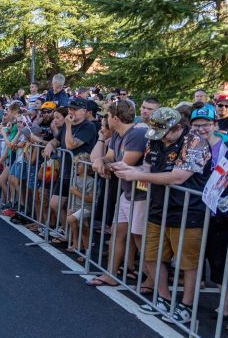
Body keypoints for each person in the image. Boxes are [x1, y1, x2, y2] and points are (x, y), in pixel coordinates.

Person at [113, 107, 212, 323]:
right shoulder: (155, 139)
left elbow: (177, 177)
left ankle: (187, 306)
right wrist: (128, 168)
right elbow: (148, 168)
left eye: (165, 133)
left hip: (187, 211)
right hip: (158, 207)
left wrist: (137, 174)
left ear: (178, 127)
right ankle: (163, 298)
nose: (161, 138)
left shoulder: (195, 142)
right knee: (151, 255)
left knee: (188, 263)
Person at [88, 99, 150, 289]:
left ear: (115, 117)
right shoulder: (116, 135)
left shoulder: (137, 134)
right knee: (117, 232)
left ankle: (155, 281)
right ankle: (110, 274)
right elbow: (109, 157)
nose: (105, 119)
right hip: (127, 192)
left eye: (107, 116)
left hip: (142, 193)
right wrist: (101, 160)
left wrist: (103, 164)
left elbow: (126, 163)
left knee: (140, 239)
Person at [43, 98, 97, 231]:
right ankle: (66, 231)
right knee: (55, 204)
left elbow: (70, 145)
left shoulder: (88, 127)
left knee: (76, 210)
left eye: (74, 109)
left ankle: (77, 239)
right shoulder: (69, 125)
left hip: (81, 174)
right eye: (70, 108)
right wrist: (50, 145)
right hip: (65, 171)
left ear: (84, 111)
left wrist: (67, 126)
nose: (71, 112)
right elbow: (57, 141)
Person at [65, 153, 95, 256]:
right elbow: (73, 196)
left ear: (86, 166)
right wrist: (71, 207)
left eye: (78, 165)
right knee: (83, 228)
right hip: (77, 207)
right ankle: (78, 245)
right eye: (75, 164)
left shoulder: (91, 181)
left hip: (86, 208)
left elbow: (91, 199)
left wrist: (77, 192)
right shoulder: (75, 178)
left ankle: (84, 250)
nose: (75, 167)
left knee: (74, 222)